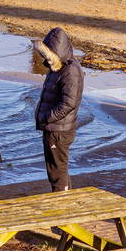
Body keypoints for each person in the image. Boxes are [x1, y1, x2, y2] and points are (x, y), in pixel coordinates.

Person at [34, 27, 84, 192]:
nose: (47, 59)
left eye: (49, 54)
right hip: (55, 127)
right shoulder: (58, 67)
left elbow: (68, 103)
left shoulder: (70, 71)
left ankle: (61, 201)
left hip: (59, 130)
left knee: (57, 169)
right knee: (56, 167)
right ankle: (64, 198)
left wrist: (47, 117)